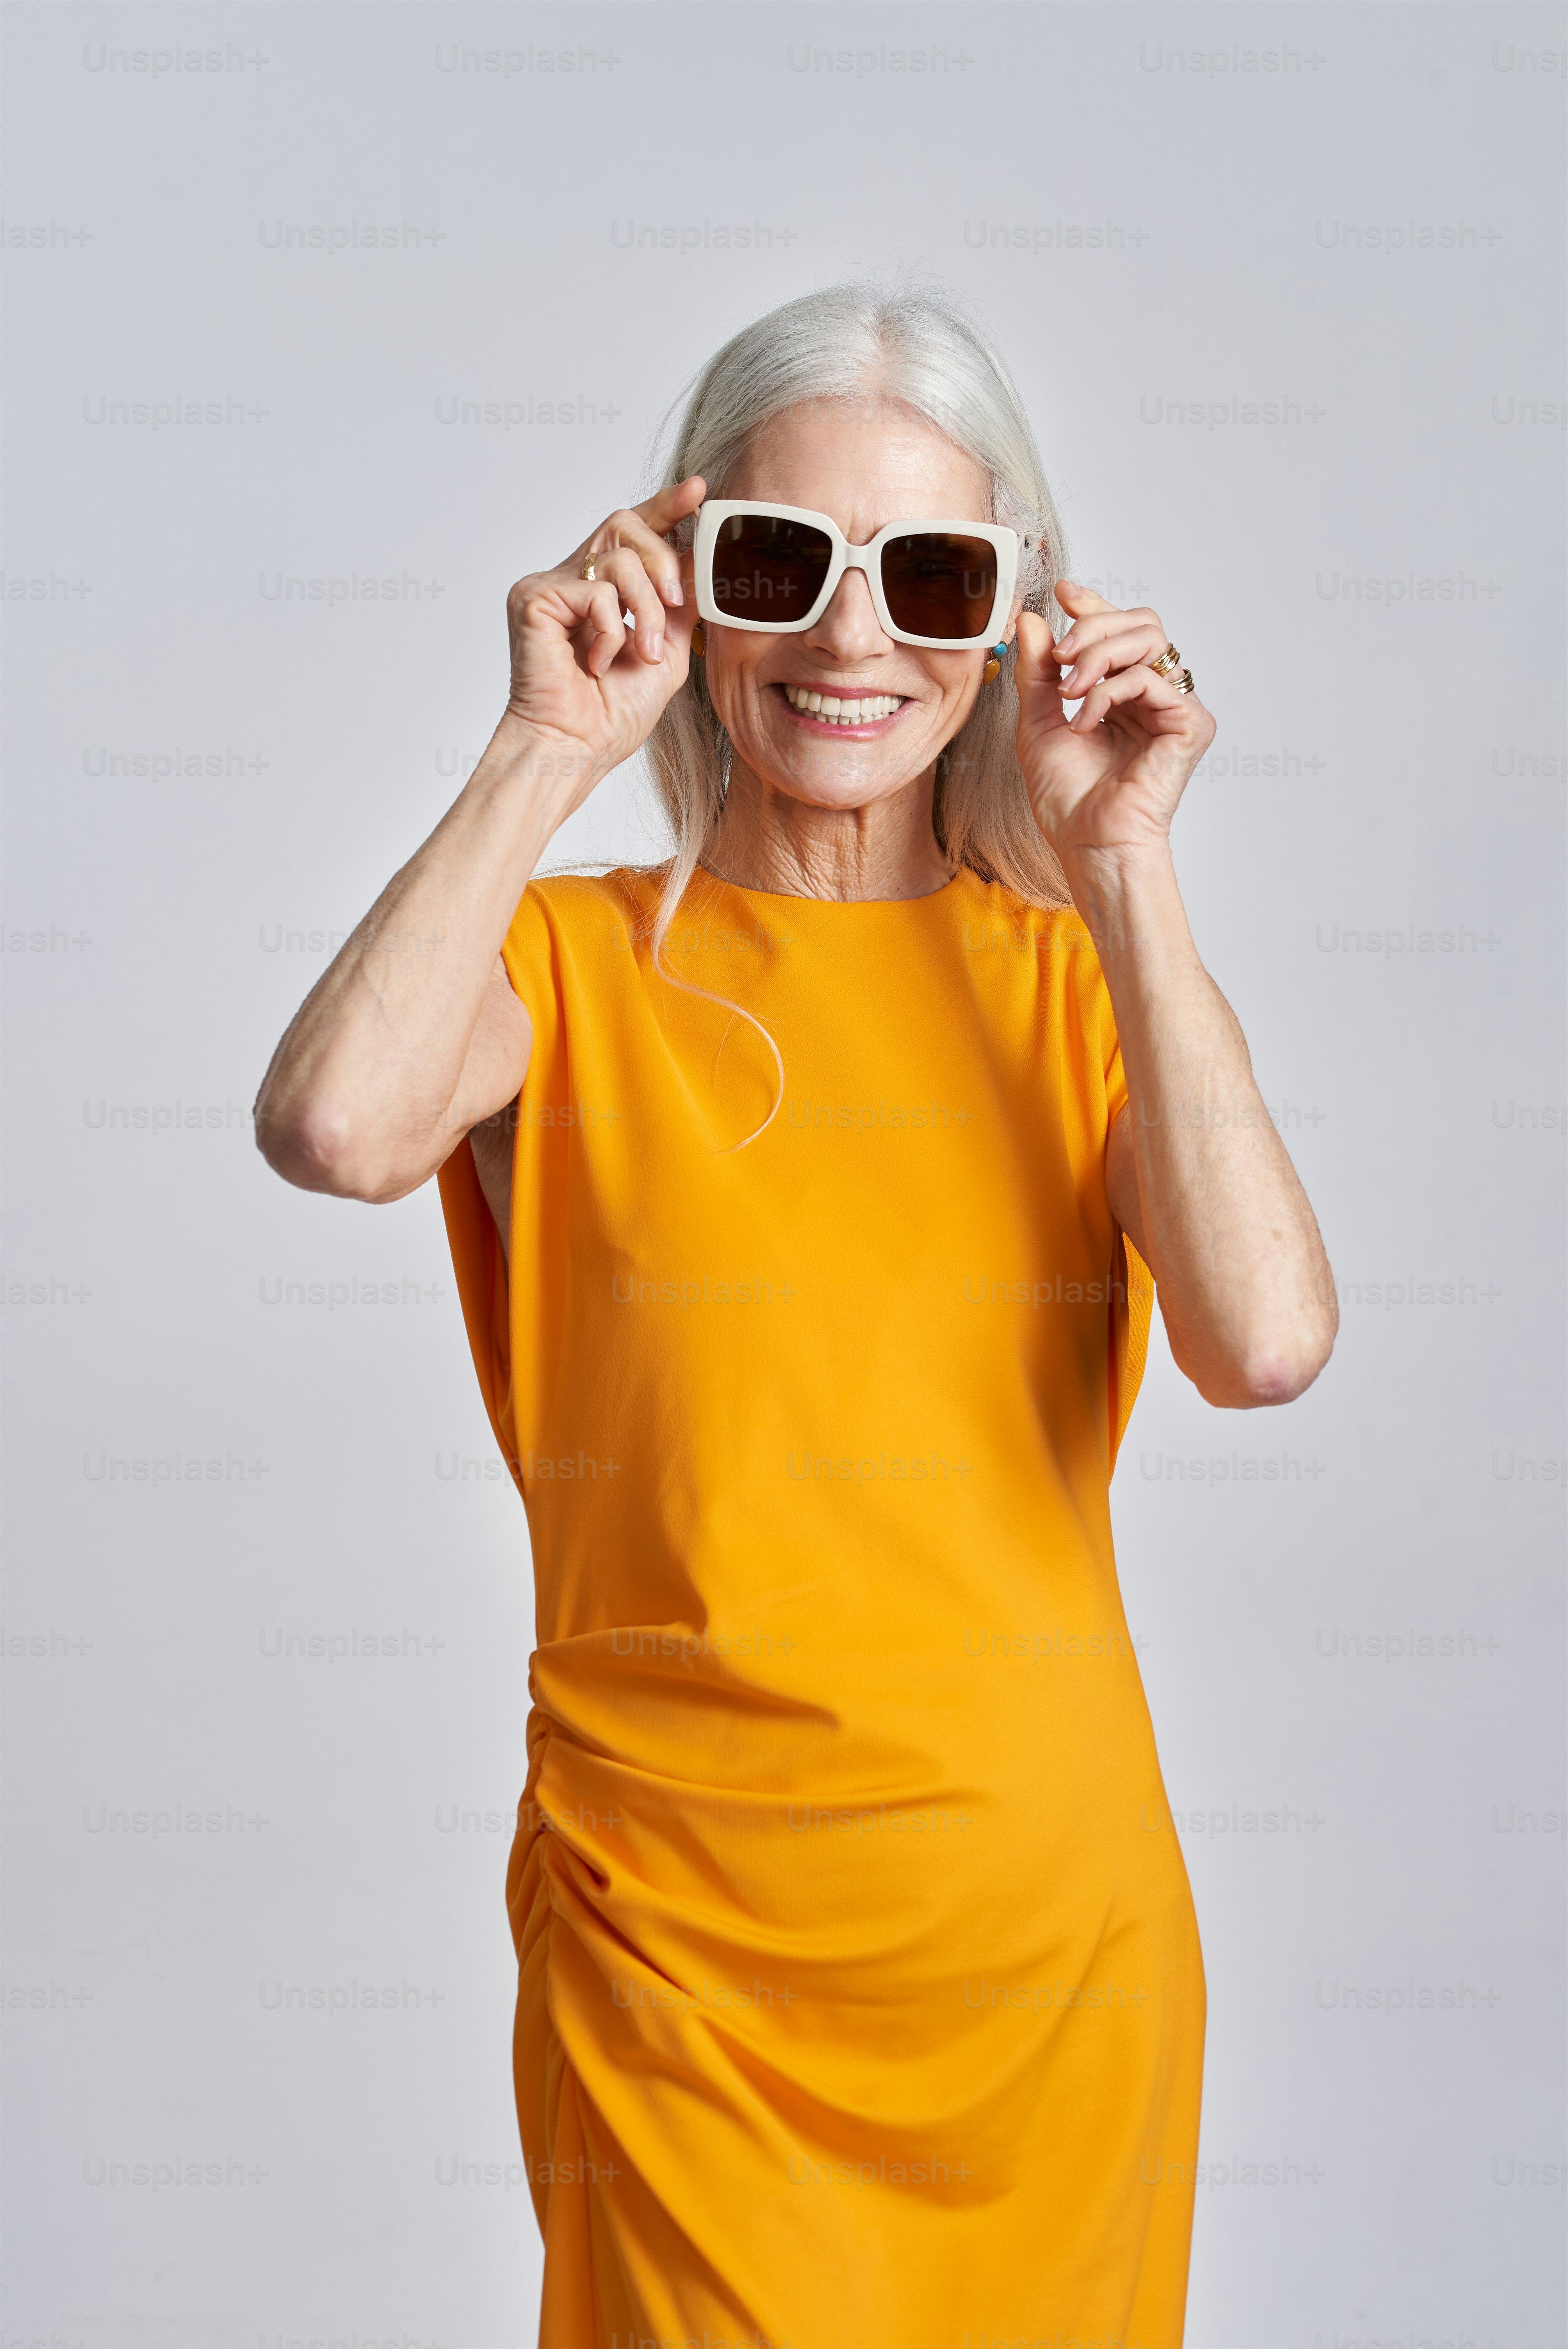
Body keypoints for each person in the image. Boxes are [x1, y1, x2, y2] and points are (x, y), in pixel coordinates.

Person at [255, 284, 1336, 2349]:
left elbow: (1264, 1341)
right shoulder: (568, 968)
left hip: (1040, 1943)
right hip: (678, 1948)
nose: (855, 638)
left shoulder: (1083, 991)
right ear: (690, 586)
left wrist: (1127, 870)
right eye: (782, 562)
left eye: (930, 576)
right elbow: (331, 1125)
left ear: (1013, 616)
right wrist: (543, 748)